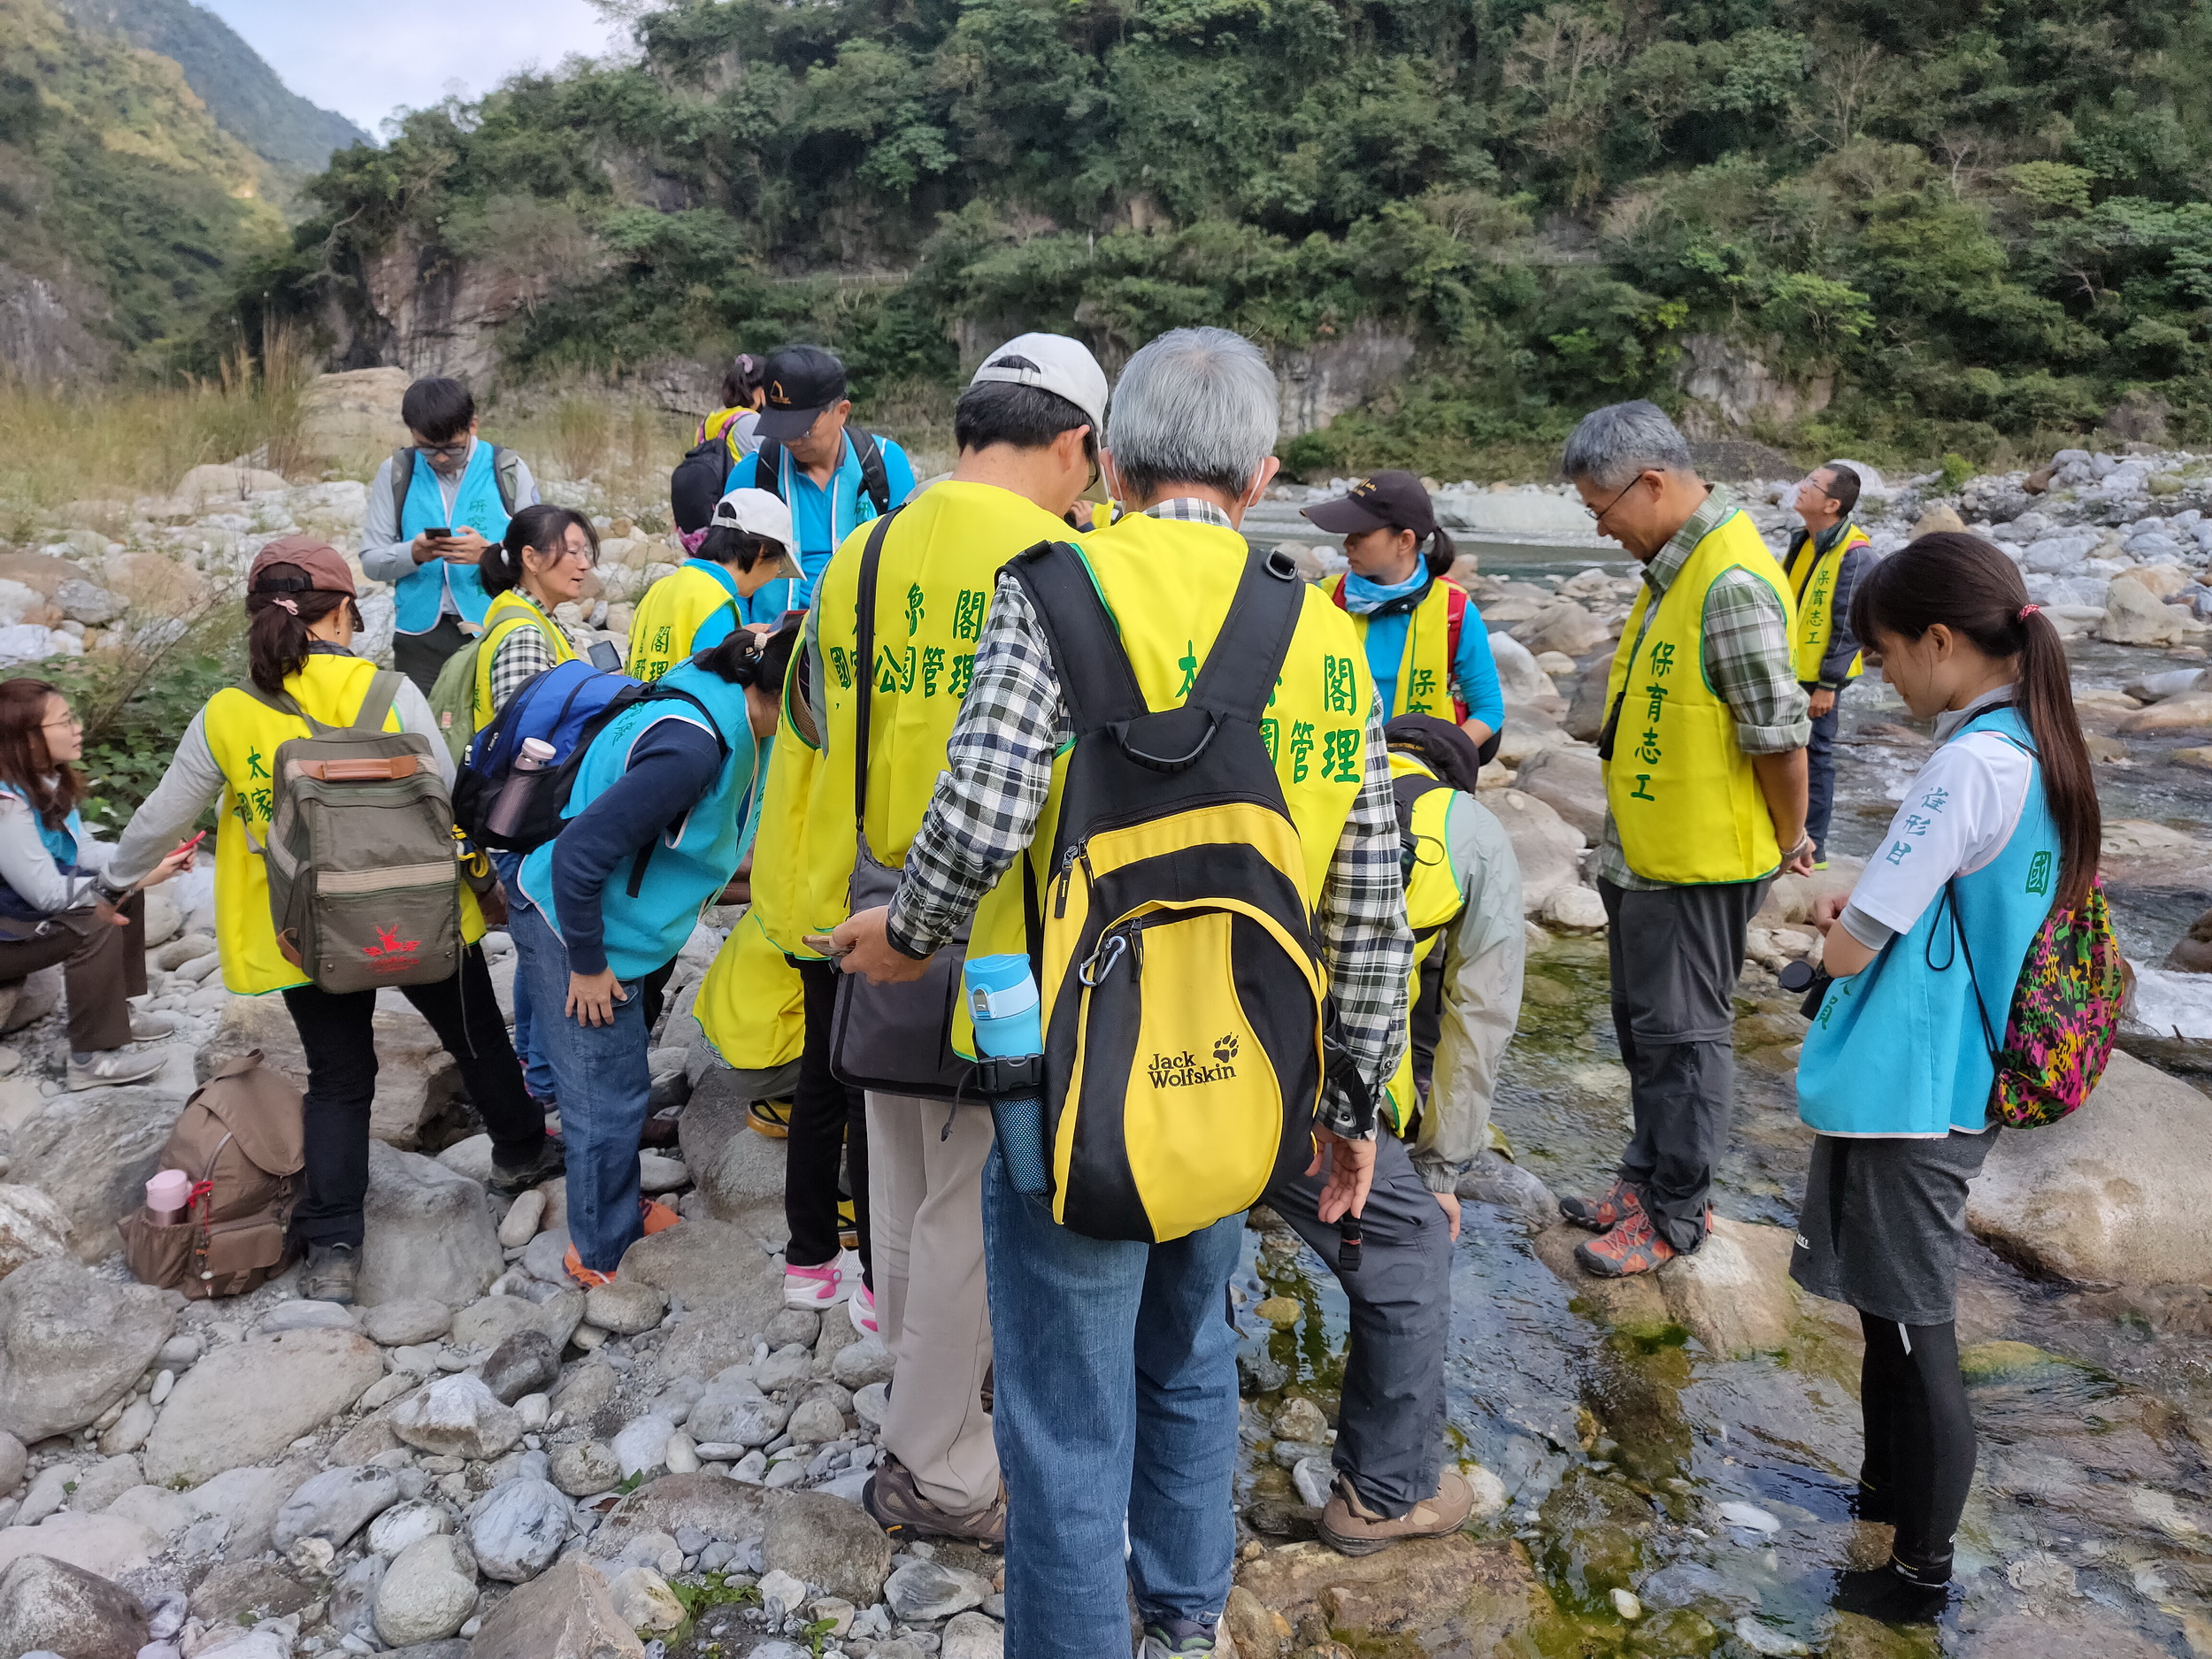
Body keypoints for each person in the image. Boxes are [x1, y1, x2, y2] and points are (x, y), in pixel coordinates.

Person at [833, 326, 1411, 1659]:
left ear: (1120, 458)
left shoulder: (1056, 589)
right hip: (1246, 1077)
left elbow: (978, 820)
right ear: (1261, 473)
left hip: (1072, 1083)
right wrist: (1354, 1100)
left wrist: (906, 931)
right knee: (1193, 1347)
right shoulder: (1323, 633)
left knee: (1062, 1406)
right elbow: (1367, 900)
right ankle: (1190, 1608)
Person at [795, 333, 1110, 1547]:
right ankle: (938, 1464)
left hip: (874, 914)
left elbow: (817, 724)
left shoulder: (861, 553)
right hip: (1001, 936)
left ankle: (918, 1401)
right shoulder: (1065, 562)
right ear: (1076, 443)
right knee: (975, 1214)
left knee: (904, 1185)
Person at [96, 537, 563, 1304]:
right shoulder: (391, 693)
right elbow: (448, 792)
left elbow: (159, 818)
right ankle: (519, 1151)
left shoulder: (228, 713)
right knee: (475, 1035)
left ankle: (335, 1243)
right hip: (420, 908)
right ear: (345, 610)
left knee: (341, 1078)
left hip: (305, 930)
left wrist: (114, 879)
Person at [1789, 534, 2099, 1624]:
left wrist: (1825, 936)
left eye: (1881, 654)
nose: (1879, 675)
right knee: (1888, 1312)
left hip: (1919, 1084)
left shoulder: (1970, 760)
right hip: (1961, 1072)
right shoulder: (2036, 745)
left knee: (1919, 1327)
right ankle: (1883, 1499)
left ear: (1937, 640)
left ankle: (1920, 1578)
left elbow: (1865, 926)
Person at [1556, 401, 1812, 1278]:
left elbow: (1777, 734)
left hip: (1698, 864)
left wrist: (1792, 838)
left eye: (1603, 510)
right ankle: (1641, 1178)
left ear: (1652, 483)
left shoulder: (1729, 581)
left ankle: (1675, 1217)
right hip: (1648, 853)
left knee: (1683, 1039)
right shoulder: (1677, 567)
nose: (1603, 530)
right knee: (1642, 1032)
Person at [1265, 711, 1523, 1557]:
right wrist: (1441, 1169)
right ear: (1455, 781)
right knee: (1411, 1242)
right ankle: (1384, 1494)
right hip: (1305, 1090)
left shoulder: (1301, 765)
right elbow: (1476, 1018)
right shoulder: (1467, 832)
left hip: (1192, 1059)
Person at [509, 622, 785, 1286]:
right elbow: (577, 858)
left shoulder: (735, 705)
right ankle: (601, 1255)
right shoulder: (693, 750)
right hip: (570, 914)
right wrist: (588, 964)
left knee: (620, 1072)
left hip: (623, 919)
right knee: (604, 1092)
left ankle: (614, 1200)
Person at [467, 503, 601, 1117]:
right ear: (529, 557)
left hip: (525, 817)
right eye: (568, 549)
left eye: (586, 549)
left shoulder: (532, 620)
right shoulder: (523, 632)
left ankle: (536, 1068)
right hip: (529, 817)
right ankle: (545, 1080)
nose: (582, 561)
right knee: (544, 943)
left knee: (533, 942)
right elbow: (525, 738)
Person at [0, 680, 191, 1088]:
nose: (78, 728)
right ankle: (91, 1058)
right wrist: (134, 878)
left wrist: (146, 855)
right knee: (100, 913)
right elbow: (48, 894)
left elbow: (83, 852)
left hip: (20, 924)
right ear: (26, 738)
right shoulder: (7, 806)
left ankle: (116, 1013)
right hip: (6, 940)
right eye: (65, 721)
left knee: (122, 890)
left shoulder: (44, 782)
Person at [1303, 472, 1505, 751]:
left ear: (1404, 541)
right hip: (1335, 769)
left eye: (1361, 534)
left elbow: (1489, 710)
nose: (1347, 543)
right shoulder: (1323, 599)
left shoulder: (1454, 610)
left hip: (1419, 774)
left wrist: (1440, 759)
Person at [361, 377, 540, 693]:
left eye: (453, 449)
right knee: (423, 736)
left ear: (473, 425)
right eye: (427, 449)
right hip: (420, 639)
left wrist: (490, 554)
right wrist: (412, 554)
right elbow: (372, 562)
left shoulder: (508, 469)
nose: (441, 459)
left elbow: (539, 557)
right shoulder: (396, 472)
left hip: (496, 627)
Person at [726, 344, 917, 622]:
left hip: (860, 642)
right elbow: (727, 573)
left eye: (802, 430)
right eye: (779, 427)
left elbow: (911, 562)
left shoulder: (886, 464)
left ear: (842, 411)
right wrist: (741, 636)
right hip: (770, 644)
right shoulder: (752, 474)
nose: (790, 441)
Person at [1784, 465, 1875, 868]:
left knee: (1816, 754)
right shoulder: (1805, 539)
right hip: (1791, 668)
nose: (1802, 488)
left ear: (1832, 504)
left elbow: (1849, 626)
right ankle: (1786, 833)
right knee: (1784, 748)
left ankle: (1814, 845)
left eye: (1812, 485)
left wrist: (1828, 685)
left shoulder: (1856, 554)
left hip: (1821, 677)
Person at [628, 488, 800, 682]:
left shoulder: (659, 588)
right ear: (763, 551)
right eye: (780, 566)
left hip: (643, 707)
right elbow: (715, 687)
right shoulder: (718, 602)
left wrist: (739, 639)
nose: (775, 576)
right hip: (686, 712)